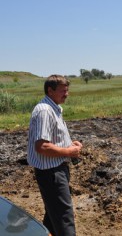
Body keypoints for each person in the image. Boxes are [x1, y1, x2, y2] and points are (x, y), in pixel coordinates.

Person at [27, 75, 83, 236]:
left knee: (53, 215)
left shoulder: (53, 108)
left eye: (67, 90)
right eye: (63, 91)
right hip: (52, 173)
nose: (66, 94)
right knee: (64, 216)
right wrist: (69, 152)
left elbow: (51, 141)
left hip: (55, 171)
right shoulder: (45, 111)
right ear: (50, 90)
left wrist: (71, 145)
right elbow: (42, 146)